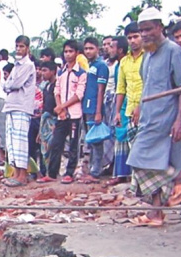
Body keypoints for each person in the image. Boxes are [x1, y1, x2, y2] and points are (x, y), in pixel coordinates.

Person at [126, 9, 181, 227]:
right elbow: (147, 85)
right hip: (149, 116)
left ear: (159, 28)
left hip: (167, 117)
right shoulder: (148, 54)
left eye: (148, 29)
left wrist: (178, 120)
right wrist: (138, 107)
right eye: (141, 30)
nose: (144, 34)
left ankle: (178, 176)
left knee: (140, 158)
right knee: (150, 165)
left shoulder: (173, 50)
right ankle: (156, 213)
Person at [40, 40, 87, 184]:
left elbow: (79, 94)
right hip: (62, 115)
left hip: (74, 114)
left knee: (73, 144)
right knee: (56, 143)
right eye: (66, 51)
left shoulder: (81, 73)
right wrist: (60, 107)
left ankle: (69, 173)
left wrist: (63, 107)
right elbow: (57, 90)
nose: (68, 54)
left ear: (77, 53)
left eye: (71, 51)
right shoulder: (62, 72)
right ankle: (52, 173)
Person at [2, 36, 38, 186]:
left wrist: (9, 85)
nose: (18, 49)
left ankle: (23, 175)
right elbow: (6, 85)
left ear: (27, 48)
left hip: (22, 106)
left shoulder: (28, 65)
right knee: (11, 142)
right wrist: (9, 85)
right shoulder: (16, 65)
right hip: (11, 105)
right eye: (17, 46)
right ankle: (15, 173)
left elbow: (14, 84)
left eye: (22, 46)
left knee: (20, 142)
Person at [113, 26, 145, 187]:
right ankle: (137, 183)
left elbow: (151, 84)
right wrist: (118, 112)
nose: (133, 40)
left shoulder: (149, 57)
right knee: (133, 147)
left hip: (148, 108)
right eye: (130, 37)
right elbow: (121, 89)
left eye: (136, 36)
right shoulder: (124, 62)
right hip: (129, 110)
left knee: (146, 147)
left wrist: (141, 106)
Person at [81, 37, 109, 182]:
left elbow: (100, 90)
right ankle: (92, 169)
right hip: (85, 108)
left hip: (94, 109)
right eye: (86, 49)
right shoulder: (88, 65)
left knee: (97, 142)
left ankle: (96, 172)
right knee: (90, 142)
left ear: (97, 49)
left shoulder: (101, 66)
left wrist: (98, 111)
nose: (88, 51)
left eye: (91, 48)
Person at [102, 36, 121, 174]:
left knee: (116, 133)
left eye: (110, 45)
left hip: (116, 99)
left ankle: (117, 168)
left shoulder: (119, 64)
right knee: (109, 134)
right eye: (105, 45)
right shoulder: (105, 63)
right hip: (105, 100)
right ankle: (110, 165)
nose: (107, 47)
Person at [37, 61, 58, 176]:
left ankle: (51, 173)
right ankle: (44, 172)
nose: (42, 73)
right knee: (43, 147)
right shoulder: (46, 86)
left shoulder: (57, 86)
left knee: (51, 147)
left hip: (53, 120)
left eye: (45, 70)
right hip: (45, 120)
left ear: (53, 71)